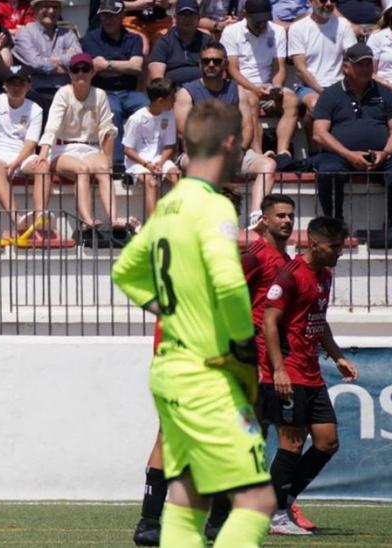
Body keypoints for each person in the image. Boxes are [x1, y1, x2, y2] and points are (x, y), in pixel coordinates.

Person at [112, 99, 277, 548]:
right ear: (229, 144)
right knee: (257, 498)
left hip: (169, 359)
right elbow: (226, 286)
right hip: (209, 357)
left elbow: (124, 271)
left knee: (184, 477)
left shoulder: (168, 206)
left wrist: (166, 307)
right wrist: (244, 350)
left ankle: (157, 524)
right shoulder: (213, 208)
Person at [260, 216, 358, 536]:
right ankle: (275, 515)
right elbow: (270, 323)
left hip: (312, 372)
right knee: (291, 444)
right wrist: (278, 369)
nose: (339, 253)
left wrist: (338, 355)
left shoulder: (325, 275)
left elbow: (319, 320)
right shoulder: (289, 277)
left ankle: (282, 499)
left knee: (328, 442)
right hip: (290, 371)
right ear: (315, 244)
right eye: (335, 247)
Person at [173, 42, 277, 225]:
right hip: (199, 153)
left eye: (216, 61)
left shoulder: (237, 90)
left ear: (225, 64)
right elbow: (183, 131)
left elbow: (247, 126)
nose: (211, 65)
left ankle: (256, 217)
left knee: (267, 164)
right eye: (206, 61)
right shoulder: (186, 93)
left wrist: (239, 149)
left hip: (234, 152)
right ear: (200, 64)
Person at [312, 43, 392, 230]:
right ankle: (335, 227)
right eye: (360, 64)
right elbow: (319, 133)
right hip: (339, 155)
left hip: (381, 155)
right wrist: (348, 154)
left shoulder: (386, 94)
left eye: (368, 64)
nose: (366, 69)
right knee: (329, 172)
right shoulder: (330, 94)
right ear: (346, 67)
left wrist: (386, 153)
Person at [37, 53, 122, 237]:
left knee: (103, 168)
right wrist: (43, 152)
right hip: (62, 148)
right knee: (81, 169)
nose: (80, 73)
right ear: (70, 73)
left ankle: (114, 219)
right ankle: (86, 220)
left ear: (92, 73)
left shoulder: (99, 95)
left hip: (90, 147)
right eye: (76, 70)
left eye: (85, 69)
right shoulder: (63, 93)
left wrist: (107, 159)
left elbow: (107, 129)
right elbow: (52, 126)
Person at [222, 0, 299, 167]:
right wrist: (254, 88)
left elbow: (279, 68)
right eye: (258, 20)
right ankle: (258, 154)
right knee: (251, 100)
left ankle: (282, 153)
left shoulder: (277, 31)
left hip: (267, 86)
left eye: (264, 19)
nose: (262, 24)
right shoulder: (231, 32)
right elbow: (233, 70)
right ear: (246, 15)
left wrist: (276, 87)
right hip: (242, 87)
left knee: (291, 99)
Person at [0, 67, 49, 230]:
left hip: (21, 155)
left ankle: (39, 216)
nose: (16, 88)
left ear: (28, 86)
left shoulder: (35, 109)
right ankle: (17, 219)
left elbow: (31, 143)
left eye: (20, 83)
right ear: (4, 86)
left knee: (43, 166)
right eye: (12, 83)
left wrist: (15, 163)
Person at [84, 0, 148, 174]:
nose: (108, 19)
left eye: (113, 15)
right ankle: (117, 164)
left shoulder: (134, 38)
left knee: (147, 108)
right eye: (105, 15)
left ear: (122, 15)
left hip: (130, 92)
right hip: (103, 91)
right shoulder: (91, 37)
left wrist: (108, 65)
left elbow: (136, 67)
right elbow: (97, 68)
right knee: (114, 111)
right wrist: (124, 66)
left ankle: (147, 158)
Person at [13, 0, 82, 116]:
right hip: (36, 93)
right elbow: (34, 63)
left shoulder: (68, 33)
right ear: (35, 10)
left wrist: (49, 60)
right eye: (46, 6)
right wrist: (65, 63)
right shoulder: (25, 33)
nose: (51, 11)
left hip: (66, 92)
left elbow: (78, 59)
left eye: (55, 7)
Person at [124, 78, 181, 217]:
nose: (174, 100)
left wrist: (160, 162)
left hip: (159, 159)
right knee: (151, 182)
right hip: (138, 162)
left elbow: (169, 146)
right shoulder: (136, 119)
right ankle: (153, 226)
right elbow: (128, 149)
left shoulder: (169, 115)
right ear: (161, 101)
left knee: (176, 176)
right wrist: (147, 164)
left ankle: (175, 219)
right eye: (172, 97)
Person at [148, 0, 208, 86]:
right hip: (172, 91)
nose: (187, 19)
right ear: (175, 18)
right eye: (183, 15)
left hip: (202, 90)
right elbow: (157, 79)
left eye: (191, 15)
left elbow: (217, 70)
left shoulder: (207, 41)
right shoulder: (164, 42)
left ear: (198, 18)